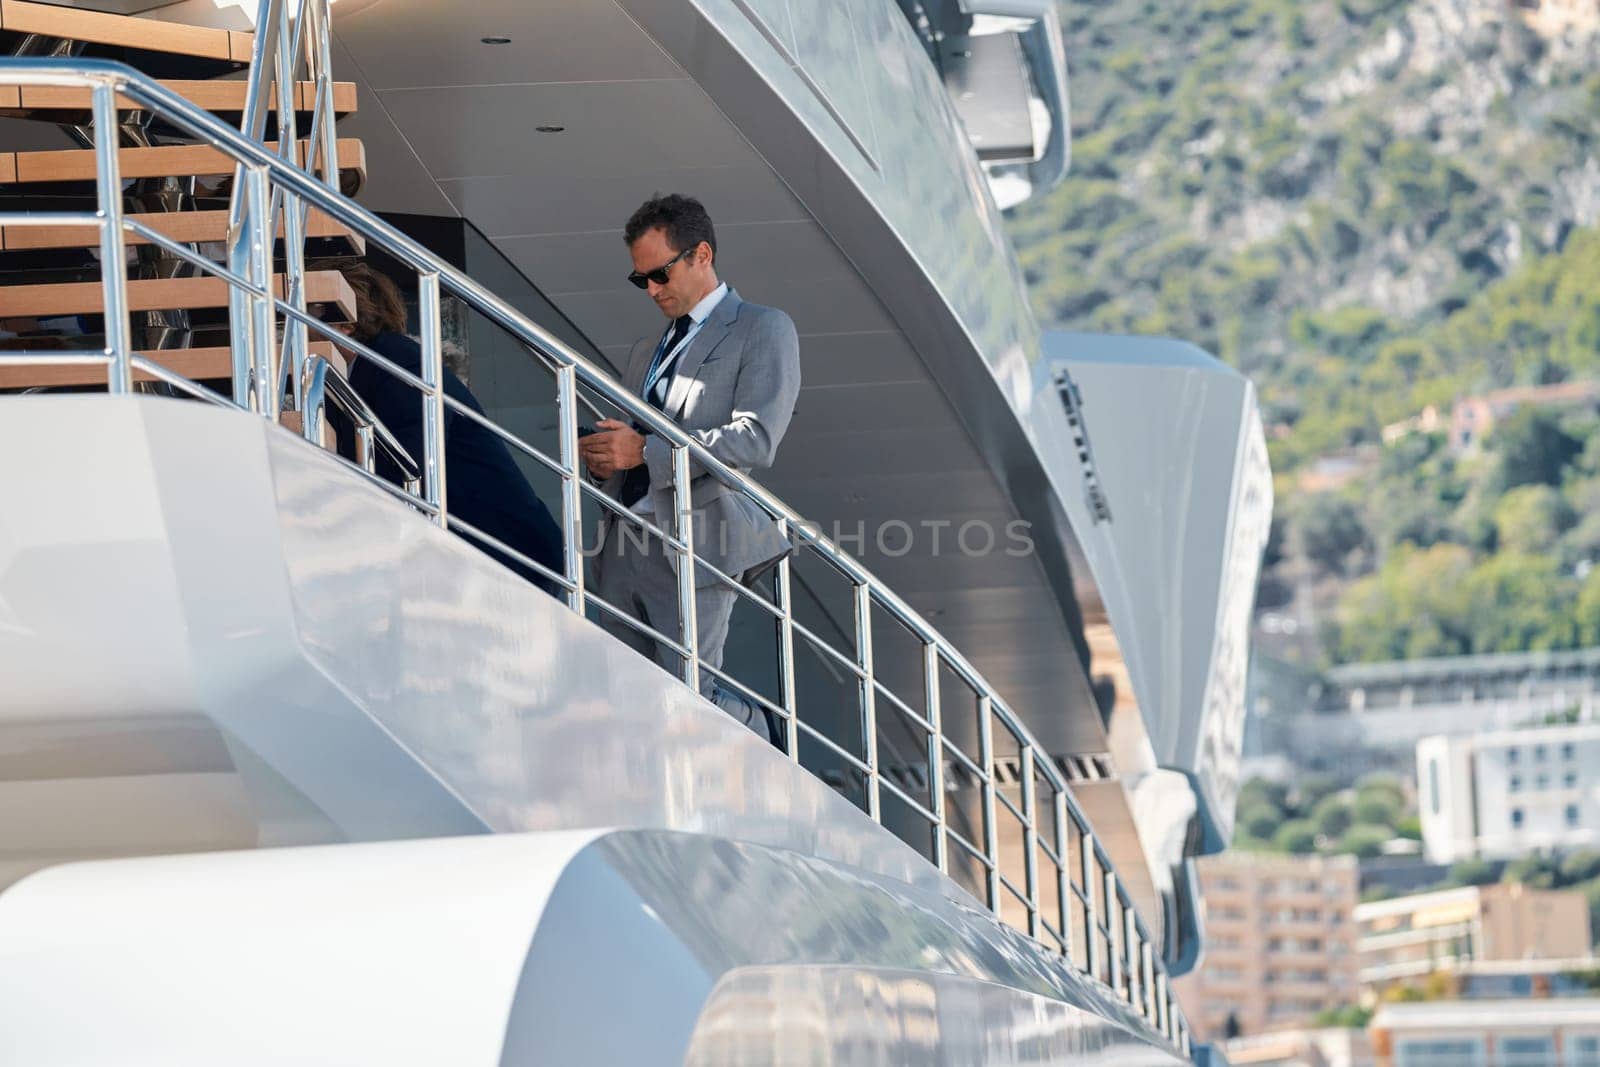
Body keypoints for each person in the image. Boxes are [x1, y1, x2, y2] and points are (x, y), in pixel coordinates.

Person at [580, 194, 800, 741]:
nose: (652, 290)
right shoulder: (644, 351)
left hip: (696, 540)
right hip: (624, 540)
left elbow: (756, 439)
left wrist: (644, 453)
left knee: (686, 697)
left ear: (701, 254)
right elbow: (633, 441)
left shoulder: (762, 328)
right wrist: (605, 460)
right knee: (625, 698)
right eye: (640, 281)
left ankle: (757, 728)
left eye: (659, 274)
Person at [318, 260, 566, 596]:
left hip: (503, 552)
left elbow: (410, 460)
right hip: (481, 551)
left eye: (305, 313)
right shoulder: (363, 370)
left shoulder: (394, 361)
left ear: (344, 323)